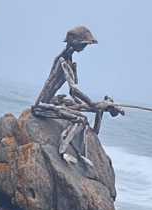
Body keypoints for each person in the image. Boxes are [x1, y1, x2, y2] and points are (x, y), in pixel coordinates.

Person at [32, 25, 124, 164]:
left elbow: (73, 93)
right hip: (42, 105)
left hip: (52, 101)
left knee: (91, 108)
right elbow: (74, 90)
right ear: (76, 43)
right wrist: (91, 104)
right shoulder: (62, 61)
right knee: (80, 119)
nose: (85, 47)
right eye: (84, 44)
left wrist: (93, 105)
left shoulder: (69, 61)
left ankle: (90, 140)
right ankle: (63, 151)